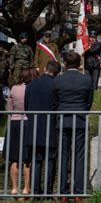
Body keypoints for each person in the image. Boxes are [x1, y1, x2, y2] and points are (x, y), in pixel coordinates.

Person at [53, 52, 94, 196]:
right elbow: (89, 101)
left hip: (62, 119)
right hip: (80, 118)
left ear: (64, 64)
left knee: (63, 157)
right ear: (79, 64)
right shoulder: (87, 80)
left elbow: (55, 101)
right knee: (80, 156)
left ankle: (63, 191)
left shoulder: (58, 80)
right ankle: (78, 191)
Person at [24, 61, 61, 195]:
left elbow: (26, 106)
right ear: (56, 73)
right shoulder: (56, 85)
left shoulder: (31, 85)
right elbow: (57, 105)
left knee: (36, 161)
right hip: (50, 126)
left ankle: (35, 191)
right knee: (51, 160)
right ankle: (48, 191)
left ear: (45, 69)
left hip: (33, 126)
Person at [3, 68, 37, 197]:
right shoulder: (32, 89)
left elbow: (9, 108)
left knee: (14, 158)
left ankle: (14, 188)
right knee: (27, 158)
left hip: (14, 122)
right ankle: (26, 188)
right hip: (28, 122)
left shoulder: (14, 89)